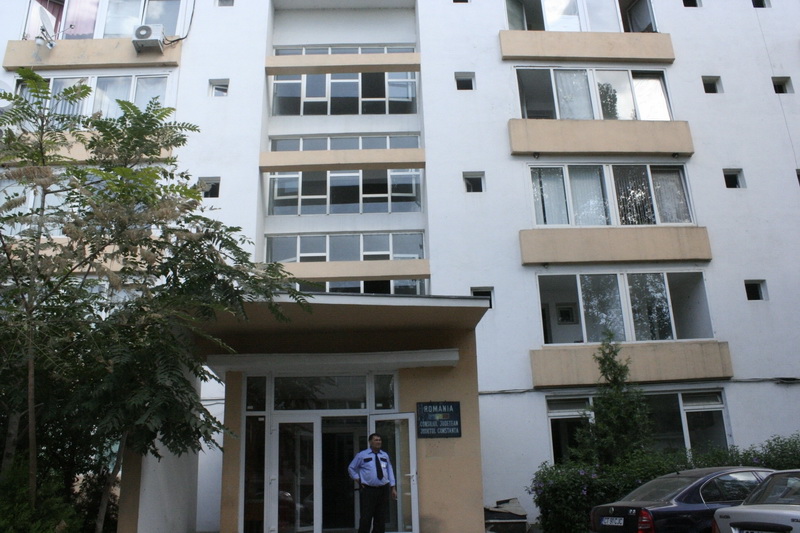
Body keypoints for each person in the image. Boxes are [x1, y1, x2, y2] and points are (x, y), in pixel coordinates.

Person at [348, 433, 397, 533]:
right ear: (370, 442)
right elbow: (351, 468)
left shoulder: (384, 455)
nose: (378, 442)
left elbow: (390, 470)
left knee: (380, 517)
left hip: (383, 489)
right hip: (368, 490)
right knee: (366, 516)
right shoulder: (362, 455)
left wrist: (393, 487)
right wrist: (358, 480)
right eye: (376, 440)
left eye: (380, 440)